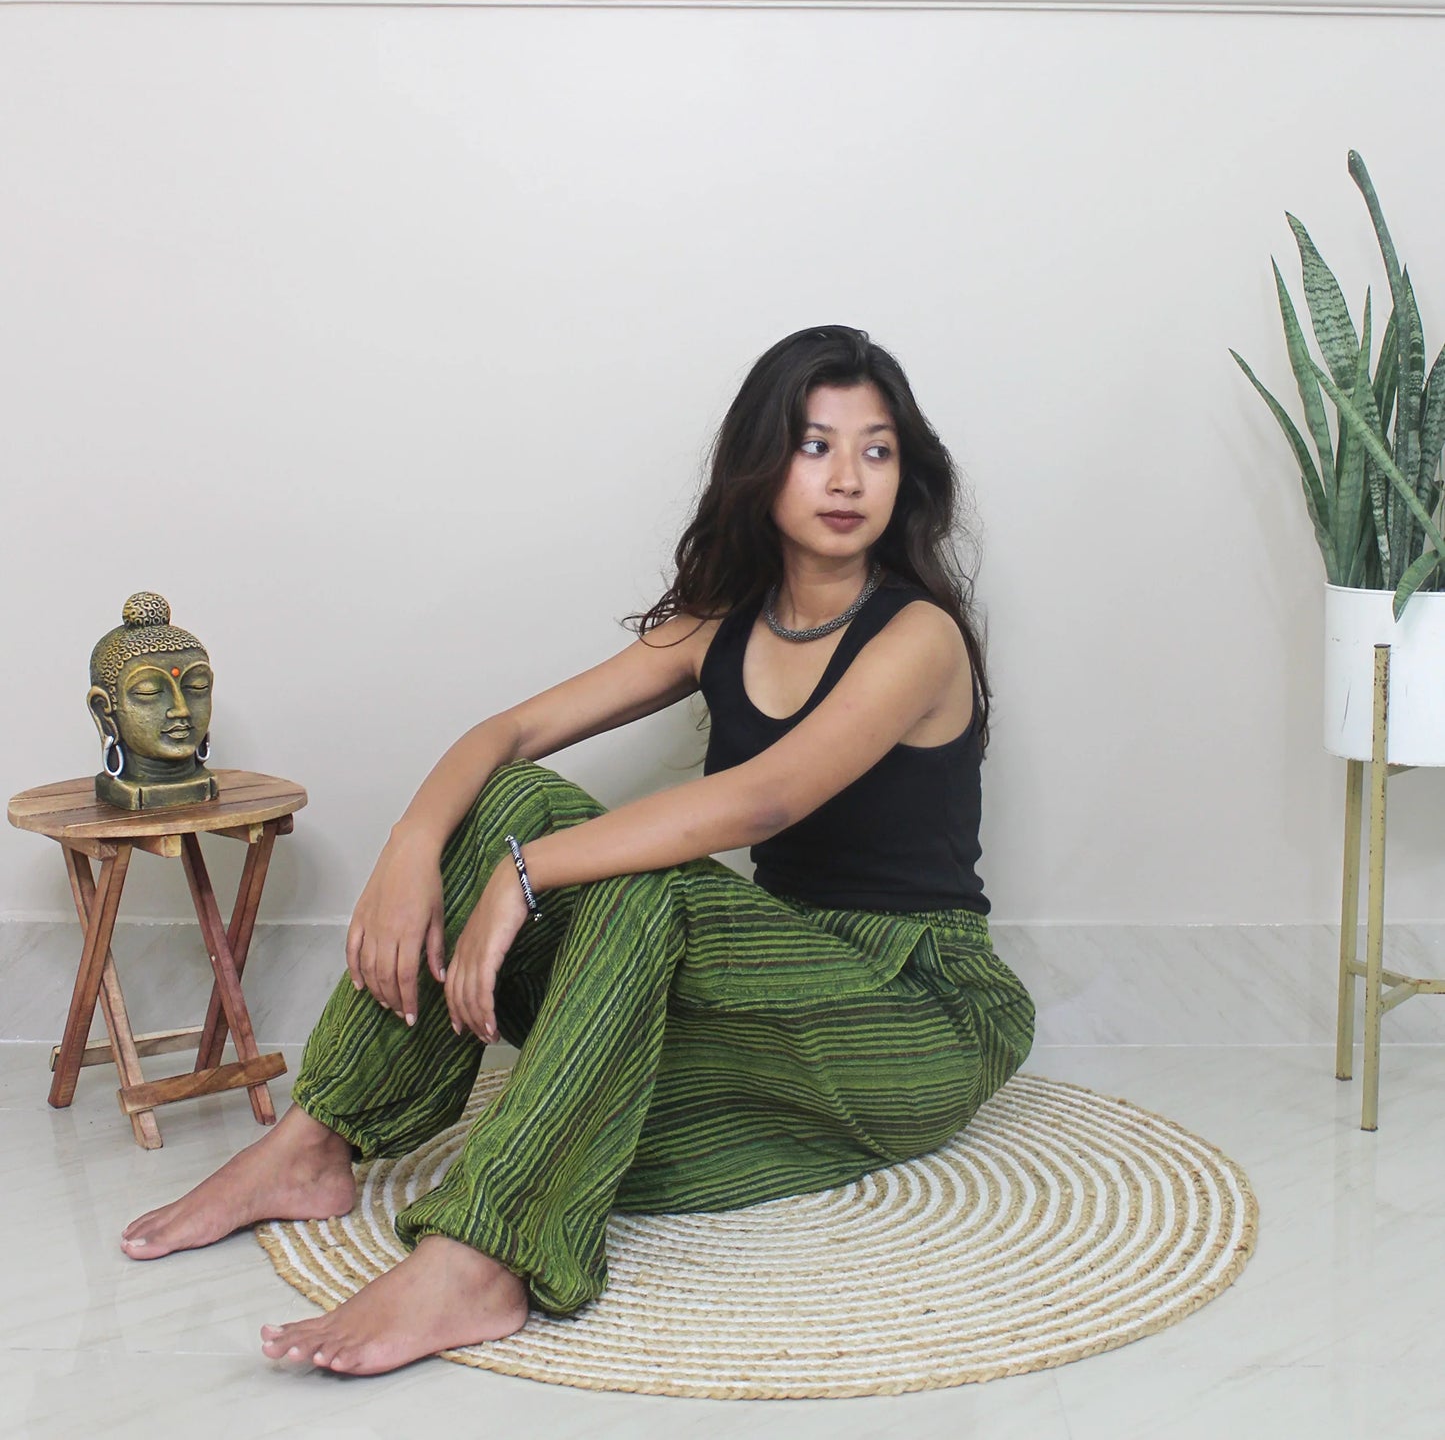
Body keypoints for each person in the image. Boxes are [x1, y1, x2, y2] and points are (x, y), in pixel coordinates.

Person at [119, 324, 1036, 1377]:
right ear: (761, 462)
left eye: (875, 450)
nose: (846, 478)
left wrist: (526, 873)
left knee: (636, 888)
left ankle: (485, 1255)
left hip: (916, 1003)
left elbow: (763, 802)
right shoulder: (720, 623)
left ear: (903, 474)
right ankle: (317, 1142)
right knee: (509, 799)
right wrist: (413, 844)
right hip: (783, 976)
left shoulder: (915, 634)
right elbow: (506, 738)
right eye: (813, 445)